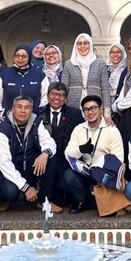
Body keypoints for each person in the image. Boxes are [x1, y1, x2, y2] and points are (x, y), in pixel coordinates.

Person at [0, 95, 58, 211]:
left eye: (27, 107)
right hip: (10, 170)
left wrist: (45, 154)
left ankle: (43, 201)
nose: (23, 111)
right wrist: (26, 188)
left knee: (50, 157)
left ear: (31, 110)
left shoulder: (36, 122)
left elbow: (49, 142)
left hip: (29, 166)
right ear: (13, 109)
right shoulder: (2, 128)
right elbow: (4, 163)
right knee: (10, 191)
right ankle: (4, 199)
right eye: (19, 107)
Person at [64, 94, 124, 213]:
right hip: (85, 171)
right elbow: (68, 153)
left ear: (101, 109)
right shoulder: (79, 129)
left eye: (93, 108)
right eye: (86, 109)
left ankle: (103, 200)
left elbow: (118, 158)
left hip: (104, 172)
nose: (89, 112)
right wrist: (81, 150)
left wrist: (101, 166)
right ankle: (83, 201)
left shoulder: (111, 130)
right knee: (69, 174)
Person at [39, 81, 83, 211]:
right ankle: (43, 201)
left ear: (66, 99)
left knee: (63, 190)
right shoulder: (38, 113)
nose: (57, 98)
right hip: (44, 159)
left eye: (61, 95)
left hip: (65, 160)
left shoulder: (75, 114)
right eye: (53, 94)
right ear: (47, 96)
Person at [62, 33, 113, 121]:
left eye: (86, 43)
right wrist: (63, 109)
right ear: (76, 46)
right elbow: (64, 89)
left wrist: (107, 110)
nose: (82, 46)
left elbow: (105, 88)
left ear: (90, 44)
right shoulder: (69, 64)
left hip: (94, 105)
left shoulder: (100, 63)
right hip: (73, 105)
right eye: (79, 43)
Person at [0, 44, 49, 118]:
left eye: (24, 56)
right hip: (8, 119)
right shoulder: (4, 74)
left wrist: (39, 113)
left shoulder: (40, 75)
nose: (20, 58)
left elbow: (46, 97)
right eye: (17, 56)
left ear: (29, 57)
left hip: (33, 119)